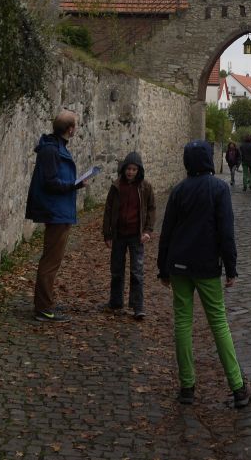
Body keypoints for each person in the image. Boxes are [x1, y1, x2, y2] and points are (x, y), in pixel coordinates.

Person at [157, 140, 251, 408]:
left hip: (178, 265)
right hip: (207, 266)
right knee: (218, 323)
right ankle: (237, 386)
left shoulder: (178, 191)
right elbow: (226, 233)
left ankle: (187, 386)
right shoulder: (219, 189)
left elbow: (166, 232)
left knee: (183, 323)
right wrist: (231, 268)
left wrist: (162, 267)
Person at [25, 109, 86, 322]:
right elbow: (50, 182)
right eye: (75, 125)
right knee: (50, 261)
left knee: (53, 261)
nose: (76, 129)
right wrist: (74, 185)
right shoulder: (51, 150)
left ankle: (46, 303)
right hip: (56, 211)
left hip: (60, 211)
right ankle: (43, 307)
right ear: (70, 129)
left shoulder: (55, 147)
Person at [101, 151, 156, 319]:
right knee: (116, 270)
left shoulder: (145, 187)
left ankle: (137, 306)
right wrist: (107, 234)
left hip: (136, 236)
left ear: (139, 170)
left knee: (137, 271)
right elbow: (108, 210)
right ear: (124, 169)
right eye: (128, 169)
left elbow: (151, 209)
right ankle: (116, 301)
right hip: (119, 235)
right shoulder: (116, 186)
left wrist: (147, 230)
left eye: (134, 169)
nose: (130, 172)